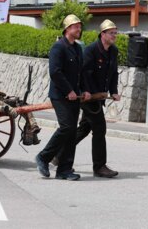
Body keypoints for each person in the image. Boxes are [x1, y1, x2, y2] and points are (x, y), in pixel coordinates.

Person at [35, 14, 90, 181]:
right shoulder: (58, 47)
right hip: (60, 96)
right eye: (75, 27)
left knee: (72, 132)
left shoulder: (78, 48)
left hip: (75, 96)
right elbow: (55, 72)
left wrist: (85, 90)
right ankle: (43, 157)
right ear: (67, 29)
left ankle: (64, 170)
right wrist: (68, 91)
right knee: (66, 127)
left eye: (80, 26)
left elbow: (82, 72)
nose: (79, 29)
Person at [72, 19, 120, 178]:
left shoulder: (113, 51)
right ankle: (99, 166)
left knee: (85, 128)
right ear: (103, 34)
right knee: (100, 128)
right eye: (111, 33)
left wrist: (113, 91)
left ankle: (59, 154)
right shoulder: (91, 50)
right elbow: (84, 73)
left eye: (115, 33)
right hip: (88, 96)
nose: (114, 35)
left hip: (99, 97)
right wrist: (87, 92)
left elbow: (113, 73)